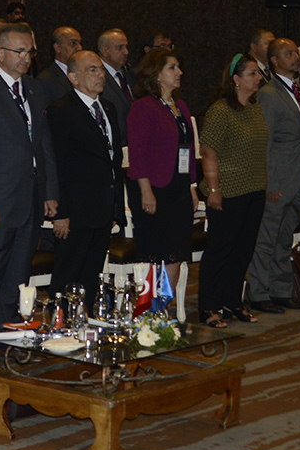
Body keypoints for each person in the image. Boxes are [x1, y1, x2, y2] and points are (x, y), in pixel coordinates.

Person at [0, 23, 57, 373]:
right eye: (19, 51)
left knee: (17, 278)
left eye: (30, 51)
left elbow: (43, 143)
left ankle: (8, 340)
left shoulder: (34, 88)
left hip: (30, 198)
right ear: (0, 53)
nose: (26, 58)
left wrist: (50, 191)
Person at [196, 56, 270, 325]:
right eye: (252, 73)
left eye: (258, 73)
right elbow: (208, 151)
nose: (258, 77)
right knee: (221, 250)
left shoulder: (255, 108)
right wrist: (213, 189)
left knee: (243, 250)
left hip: (254, 189)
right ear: (236, 79)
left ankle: (231, 301)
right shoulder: (221, 110)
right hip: (227, 191)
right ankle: (209, 307)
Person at [44, 50, 122, 297]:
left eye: (101, 69)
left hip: (102, 209)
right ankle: (63, 320)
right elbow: (56, 164)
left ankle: (84, 319)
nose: (100, 75)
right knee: (68, 276)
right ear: (73, 78)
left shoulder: (108, 108)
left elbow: (113, 162)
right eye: (92, 70)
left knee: (91, 275)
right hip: (75, 212)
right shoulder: (61, 110)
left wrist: (115, 208)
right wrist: (61, 213)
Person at [125, 47, 198, 310]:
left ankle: (161, 307)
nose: (179, 72)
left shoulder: (180, 106)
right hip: (153, 188)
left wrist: (192, 186)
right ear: (156, 74)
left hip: (178, 187)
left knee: (176, 253)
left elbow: (189, 150)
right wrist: (146, 191)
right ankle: (147, 310)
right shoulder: (143, 107)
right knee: (155, 253)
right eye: (172, 68)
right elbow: (137, 153)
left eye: (178, 67)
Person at [250, 37, 300, 312]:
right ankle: (259, 294)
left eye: (296, 53)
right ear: (274, 60)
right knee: (266, 239)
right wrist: (270, 182)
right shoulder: (268, 94)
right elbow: (264, 142)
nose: (296, 57)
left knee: (285, 237)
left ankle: (281, 291)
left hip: (298, 176)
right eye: (289, 54)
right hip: (277, 179)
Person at [33, 26, 80, 109]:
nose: (79, 48)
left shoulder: (84, 74)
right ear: (58, 48)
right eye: (73, 43)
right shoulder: (45, 80)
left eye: (79, 43)